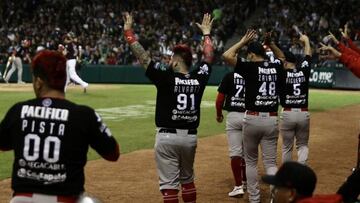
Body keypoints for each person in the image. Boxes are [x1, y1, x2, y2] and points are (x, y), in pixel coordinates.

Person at [0, 50, 120, 203]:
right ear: (64, 79)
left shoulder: (17, 111)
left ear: (38, 81)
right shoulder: (84, 115)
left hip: (21, 199)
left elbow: (3, 145)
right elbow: (113, 153)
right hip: (65, 199)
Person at [123, 12, 214, 203]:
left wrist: (129, 33)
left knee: (169, 186)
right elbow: (208, 56)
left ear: (175, 60)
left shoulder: (165, 77)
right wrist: (207, 34)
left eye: (171, 57)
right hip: (190, 138)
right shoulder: (199, 78)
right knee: (188, 181)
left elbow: (143, 57)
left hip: (167, 137)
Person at [223, 29, 284, 203]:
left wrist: (242, 41)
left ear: (251, 54)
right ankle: (274, 199)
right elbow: (282, 58)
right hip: (271, 118)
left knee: (250, 162)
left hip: (252, 118)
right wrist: (271, 43)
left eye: (249, 54)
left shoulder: (249, 67)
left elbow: (227, 55)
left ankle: (255, 200)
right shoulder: (275, 67)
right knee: (270, 163)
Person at [267, 33, 312, 164]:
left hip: (287, 113)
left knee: (287, 147)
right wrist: (307, 41)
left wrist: (271, 44)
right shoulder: (303, 71)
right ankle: (301, 172)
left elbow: (279, 57)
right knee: (302, 145)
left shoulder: (281, 73)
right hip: (303, 113)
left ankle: (287, 177)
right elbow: (308, 55)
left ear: (285, 62)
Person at [216, 71, 247, 197]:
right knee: (247, 153)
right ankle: (246, 182)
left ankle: (238, 186)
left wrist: (218, 114)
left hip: (233, 115)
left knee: (235, 153)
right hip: (249, 115)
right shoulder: (251, 73)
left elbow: (220, 99)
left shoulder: (229, 76)